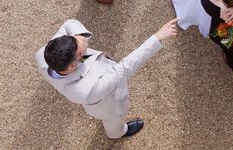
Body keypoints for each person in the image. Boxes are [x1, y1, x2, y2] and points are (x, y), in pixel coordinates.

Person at [35, 18, 177, 139]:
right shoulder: (87, 89)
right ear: (72, 65)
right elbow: (124, 68)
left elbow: (69, 23)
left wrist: (78, 35)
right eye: (81, 49)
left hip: (93, 96)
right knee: (114, 119)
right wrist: (157, 37)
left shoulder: (44, 54)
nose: (84, 42)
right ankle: (118, 133)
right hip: (107, 104)